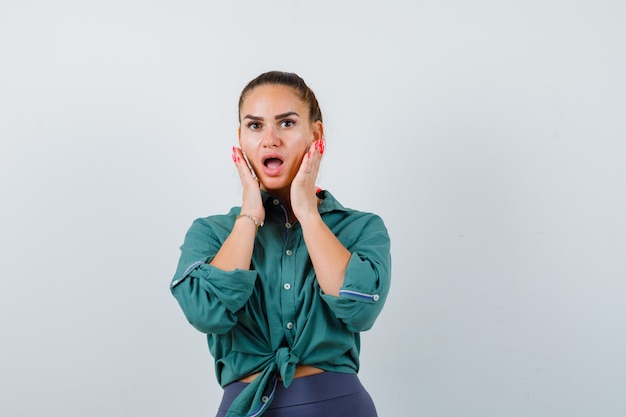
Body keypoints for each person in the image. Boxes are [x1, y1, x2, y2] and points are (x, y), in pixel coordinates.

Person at [170, 71, 391, 417]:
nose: (270, 139)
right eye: (255, 126)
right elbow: (206, 313)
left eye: (286, 124)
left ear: (315, 133)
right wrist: (249, 216)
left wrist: (307, 212)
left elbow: (360, 310)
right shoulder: (210, 233)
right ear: (240, 138)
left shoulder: (360, 228)